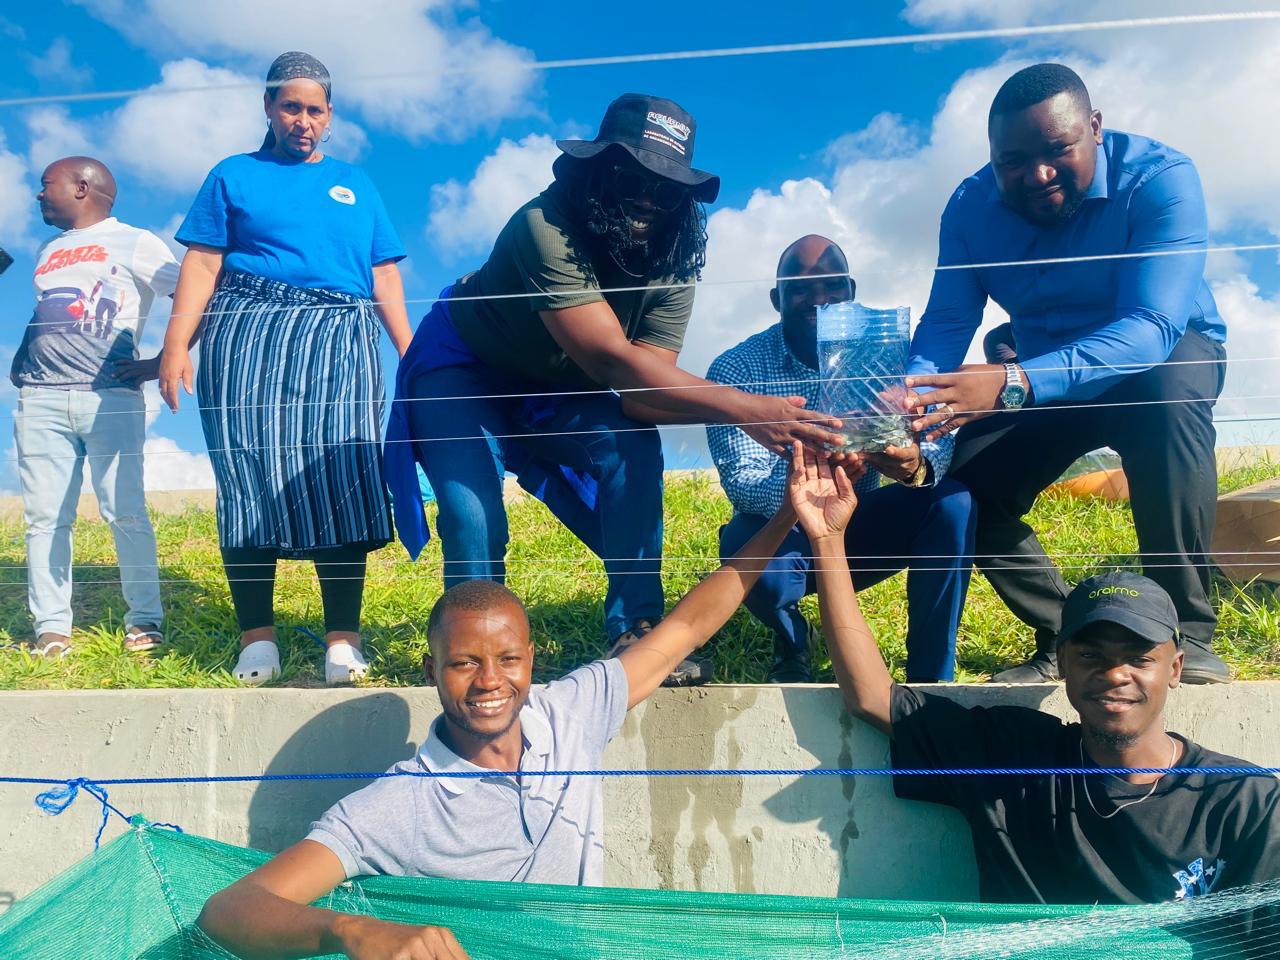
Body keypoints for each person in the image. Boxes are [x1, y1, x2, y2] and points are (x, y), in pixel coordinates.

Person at [196, 488, 809, 958]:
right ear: (432, 669)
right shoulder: (399, 803)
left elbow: (687, 628)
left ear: (530, 661)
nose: (490, 681)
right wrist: (353, 931)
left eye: (508, 659)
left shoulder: (571, 710)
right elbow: (227, 912)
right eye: (464, 662)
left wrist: (786, 517)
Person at [385, 93, 845, 688]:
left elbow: (640, 396)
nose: (650, 200)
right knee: (472, 510)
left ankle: (636, 629)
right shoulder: (543, 225)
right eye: (633, 178)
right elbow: (610, 357)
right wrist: (748, 409)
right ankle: (475, 656)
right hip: (467, 365)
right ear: (596, 169)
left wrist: (747, 414)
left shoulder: (678, 253)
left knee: (632, 442)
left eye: (667, 187)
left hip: (556, 383)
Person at [788, 444, 1280, 907]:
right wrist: (828, 540)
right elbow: (873, 696)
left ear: (1174, 669)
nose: (1115, 674)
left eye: (1139, 657)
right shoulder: (1013, 759)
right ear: (1063, 664)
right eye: (1092, 655)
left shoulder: (1242, 801)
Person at [904, 63, 1230, 684]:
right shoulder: (970, 209)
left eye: (1058, 150)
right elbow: (946, 322)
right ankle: (1065, 634)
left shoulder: (1160, 180)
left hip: (1155, 360)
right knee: (963, 479)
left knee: (1167, 389)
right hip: (1049, 378)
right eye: (1013, 162)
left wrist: (1010, 383)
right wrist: (914, 405)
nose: (1038, 175)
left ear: (1096, 130)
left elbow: (1152, 325)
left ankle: (1185, 634)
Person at [159, 52, 412, 687]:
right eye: (291, 107)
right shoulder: (232, 175)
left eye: (315, 110)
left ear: (331, 116)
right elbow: (202, 264)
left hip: (340, 340)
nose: (303, 120)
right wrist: (175, 344)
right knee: (246, 476)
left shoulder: (357, 183)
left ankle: (342, 642)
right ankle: (257, 641)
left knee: (344, 475)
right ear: (269, 108)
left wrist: (413, 353)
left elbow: (383, 273)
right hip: (249, 335)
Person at [708, 235, 974, 682]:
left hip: (863, 521)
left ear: (851, 291)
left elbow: (935, 437)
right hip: (788, 526)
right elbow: (744, 484)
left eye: (832, 286)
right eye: (799, 289)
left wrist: (913, 465)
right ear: (776, 299)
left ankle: (932, 679)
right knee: (741, 545)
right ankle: (794, 639)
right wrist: (815, 473)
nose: (819, 300)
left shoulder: (892, 350)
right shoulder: (736, 370)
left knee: (952, 503)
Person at [10, 156, 177, 657]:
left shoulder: (136, 240)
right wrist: (22, 363)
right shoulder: (47, 249)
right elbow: (49, 311)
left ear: (83, 187)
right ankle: (52, 629)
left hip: (109, 396)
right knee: (43, 519)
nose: (39, 195)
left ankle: (145, 620)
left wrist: (164, 359)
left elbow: (197, 295)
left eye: (47, 185)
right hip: (40, 400)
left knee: (124, 511)